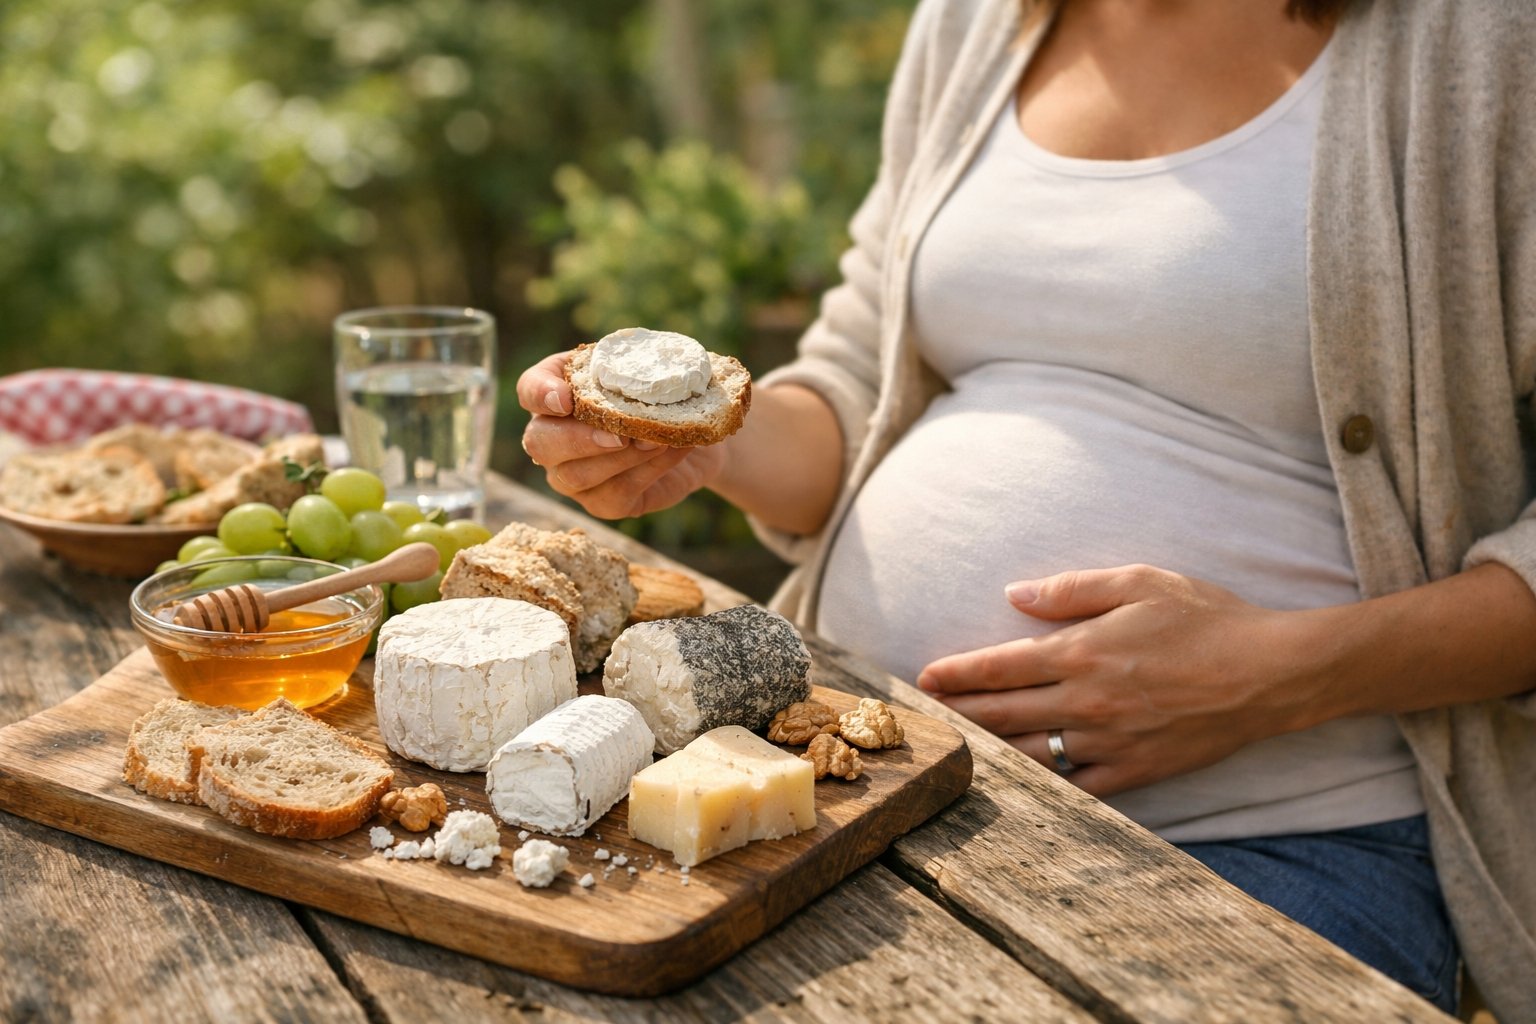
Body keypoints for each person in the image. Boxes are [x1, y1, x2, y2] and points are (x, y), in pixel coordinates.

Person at [517, 0, 1536, 1016]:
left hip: (1269, 841)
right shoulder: (974, 23)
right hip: (850, 792)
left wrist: (1276, 677)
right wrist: (700, 436)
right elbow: (860, 380)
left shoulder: (1480, 41)